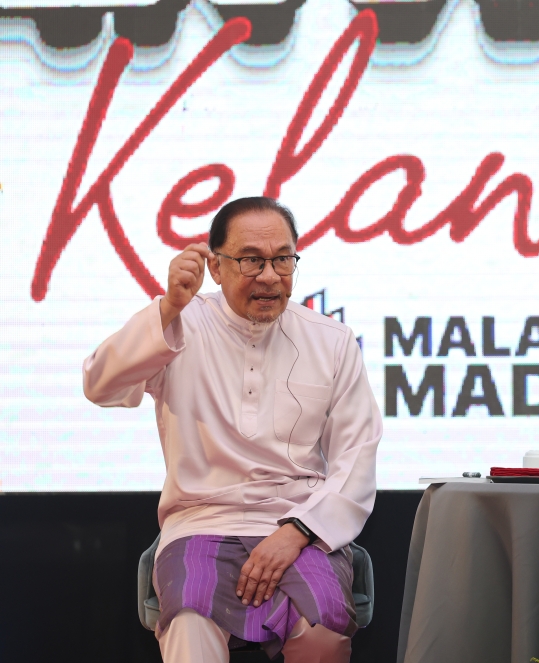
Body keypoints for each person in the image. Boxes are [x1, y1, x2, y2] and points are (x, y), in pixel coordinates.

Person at [83, 197, 381, 663]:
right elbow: (100, 386)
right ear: (215, 267)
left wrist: (297, 531)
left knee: (323, 628)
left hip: (301, 523)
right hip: (201, 521)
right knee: (189, 622)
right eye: (251, 260)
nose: (269, 276)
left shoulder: (331, 340)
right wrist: (168, 307)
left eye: (282, 259)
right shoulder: (179, 325)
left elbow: (357, 456)